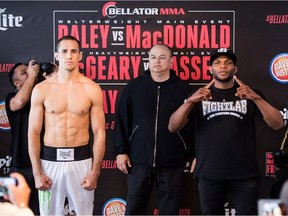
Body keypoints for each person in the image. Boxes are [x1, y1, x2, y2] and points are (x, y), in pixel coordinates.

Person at [168, 48, 284, 215]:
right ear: (210, 69)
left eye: (228, 63)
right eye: (218, 63)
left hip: (245, 174)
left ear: (235, 69)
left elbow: (278, 124)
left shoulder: (249, 94)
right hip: (209, 174)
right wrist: (190, 102)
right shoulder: (199, 96)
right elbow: (173, 127)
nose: (223, 66)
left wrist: (256, 98)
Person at [28, 35, 106, 215]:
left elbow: (100, 131)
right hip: (49, 162)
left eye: (73, 51)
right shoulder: (42, 89)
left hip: (81, 161)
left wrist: (95, 172)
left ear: (80, 56)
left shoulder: (91, 88)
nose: (69, 56)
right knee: (48, 213)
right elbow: (33, 132)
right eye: (64, 51)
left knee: (84, 213)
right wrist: (37, 172)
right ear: (57, 55)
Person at [114, 44, 193, 215]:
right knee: (134, 209)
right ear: (148, 61)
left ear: (171, 62)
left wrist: (193, 154)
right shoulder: (134, 87)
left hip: (172, 163)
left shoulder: (184, 89)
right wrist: (121, 151)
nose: (157, 61)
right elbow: (121, 120)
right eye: (153, 57)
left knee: (169, 211)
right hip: (138, 162)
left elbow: (193, 126)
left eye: (162, 57)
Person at [5, 60, 41, 215]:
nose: (30, 72)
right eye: (24, 72)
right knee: (20, 211)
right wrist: (32, 77)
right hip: (21, 166)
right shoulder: (11, 97)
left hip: (44, 165)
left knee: (44, 211)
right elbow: (20, 101)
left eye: (30, 70)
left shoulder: (42, 95)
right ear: (17, 83)